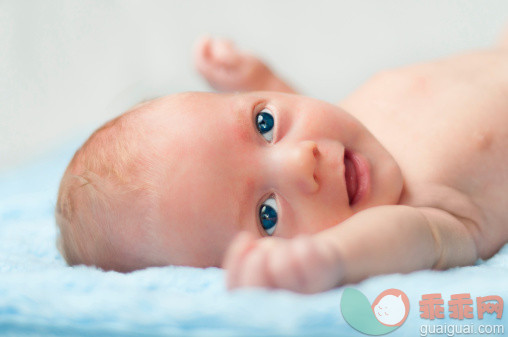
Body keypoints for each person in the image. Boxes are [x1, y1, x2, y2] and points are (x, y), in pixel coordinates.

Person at [55, 33, 508, 293]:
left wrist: (261, 78)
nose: (300, 162)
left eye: (264, 123)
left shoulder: (342, 137)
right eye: (267, 215)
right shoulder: (424, 216)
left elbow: (304, 105)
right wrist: (331, 258)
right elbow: (409, 240)